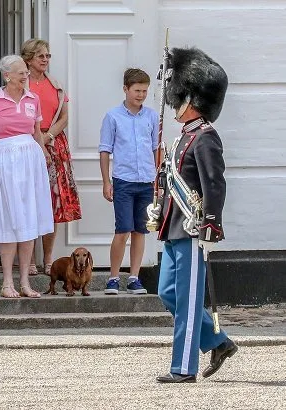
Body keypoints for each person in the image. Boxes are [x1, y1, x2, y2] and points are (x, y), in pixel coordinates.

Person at [150, 47, 237, 383]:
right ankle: (217, 341)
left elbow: (214, 183)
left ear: (193, 99)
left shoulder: (205, 139)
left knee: (186, 301)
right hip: (172, 225)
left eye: (180, 97)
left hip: (190, 226)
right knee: (168, 293)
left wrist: (212, 222)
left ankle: (183, 368)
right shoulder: (184, 137)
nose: (175, 103)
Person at [0, 54, 54, 299]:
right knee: (9, 218)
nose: (25, 75)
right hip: (6, 158)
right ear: (7, 75)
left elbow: (37, 132)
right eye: (21, 72)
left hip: (30, 159)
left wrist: (44, 155)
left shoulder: (33, 98)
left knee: (29, 218)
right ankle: (6, 282)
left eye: (25, 72)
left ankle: (25, 282)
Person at [21, 38, 82, 276]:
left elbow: (65, 116)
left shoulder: (54, 84)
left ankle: (48, 258)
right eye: (40, 56)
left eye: (47, 56)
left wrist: (47, 137)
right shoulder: (20, 84)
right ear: (28, 59)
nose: (45, 60)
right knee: (28, 201)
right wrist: (38, 140)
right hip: (27, 143)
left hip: (54, 143)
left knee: (52, 203)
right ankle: (29, 259)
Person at [98, 68, 158, 295]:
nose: (141, 95)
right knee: (123, 229)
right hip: (123, 180)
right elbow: (105, 150)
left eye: (144, 91)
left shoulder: (151, 116)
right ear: (125, 89)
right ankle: (113, 277)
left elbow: (154, 148)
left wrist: (157, 177)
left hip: (146, 181)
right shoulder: (113, 116)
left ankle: (135, 277)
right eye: (136, 90)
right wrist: (106, 181)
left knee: (140, 230)